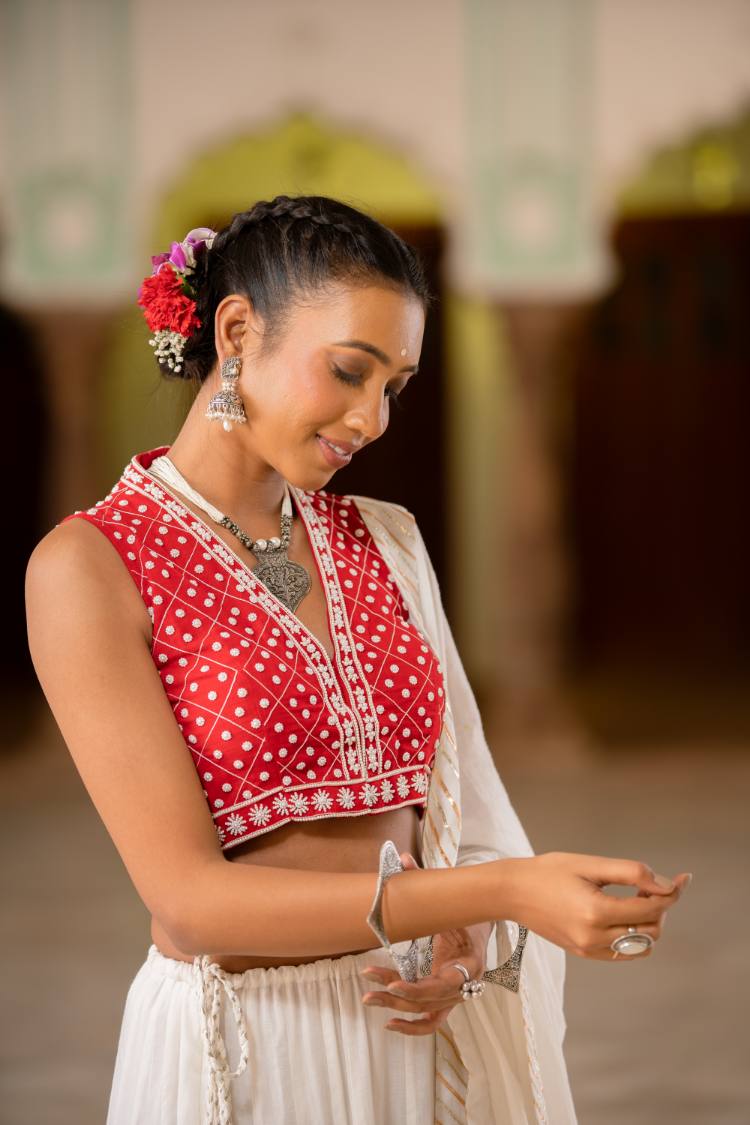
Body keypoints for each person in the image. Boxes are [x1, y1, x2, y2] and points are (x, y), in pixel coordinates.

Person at [25, 195, 691, 1125]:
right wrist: (505, 891)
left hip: (409, 1037)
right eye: (348, 371)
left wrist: (466, 941)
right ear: (237, 331)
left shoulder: (389, 540)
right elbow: (190, 900)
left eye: (395, 386)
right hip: (248, 1047)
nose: (372, 417)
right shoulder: (91, 565)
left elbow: (465, 803)